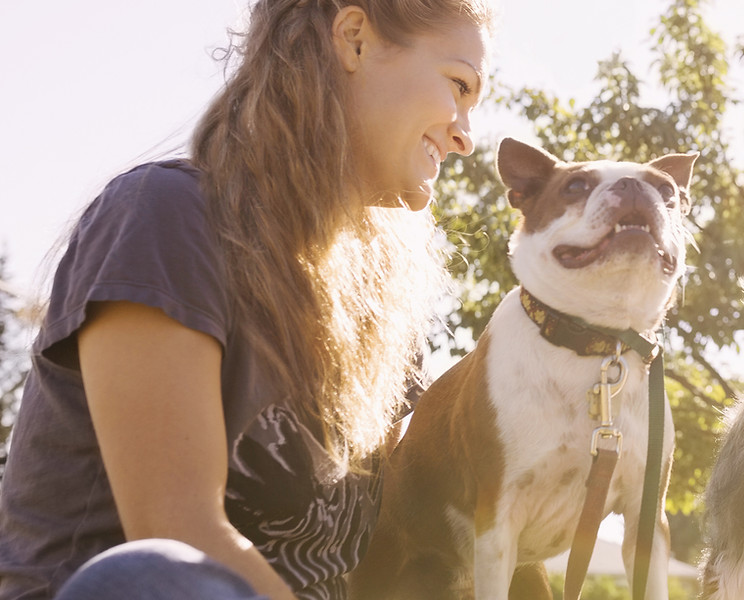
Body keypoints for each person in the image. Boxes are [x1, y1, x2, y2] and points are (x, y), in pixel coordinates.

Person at [0, 1, 491, 598]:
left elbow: (402, 541)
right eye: (459, 85)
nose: (466, 134)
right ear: (355, 39)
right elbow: (180, 534)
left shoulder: (381, 314)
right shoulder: (166, 219)